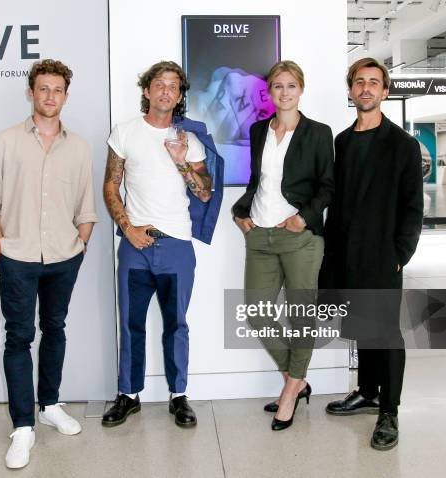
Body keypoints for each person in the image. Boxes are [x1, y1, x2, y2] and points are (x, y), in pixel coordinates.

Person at [0, 59, 98, 468]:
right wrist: (2, 252)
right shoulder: (3, 141)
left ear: (66, 95)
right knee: (18, 338)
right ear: (31, 92)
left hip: (65, 257)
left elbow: (86, 208)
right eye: (43, 89)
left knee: (55, 329)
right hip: (18, 258)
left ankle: (50, 405)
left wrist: (79, 247)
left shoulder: (79, 147)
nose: (50, 96)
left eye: (57, 90)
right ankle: (23, 426)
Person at [101, 60, 217, 428]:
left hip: (177, 246)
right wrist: (127, 228)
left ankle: (178, 395)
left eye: (174, 85)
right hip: (136, 244)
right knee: (131, 324)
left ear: (180, 95)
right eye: (159, 84)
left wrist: (181, 162)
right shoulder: (124, 133)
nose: (166, 90)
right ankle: (129, 394)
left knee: (176, 325)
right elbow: (110, 185)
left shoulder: (190, 141)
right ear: (147, 91)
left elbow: (204, 194)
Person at [320, 57, 423, 450]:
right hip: (346, 252)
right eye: (359, 82)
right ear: (351, 90)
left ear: (385, 91)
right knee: (361, 324)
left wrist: (401, 252)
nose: (366, 88)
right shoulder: (342, 142)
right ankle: (367, 391)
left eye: (373, 82)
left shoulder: (402, 144)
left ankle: (389, 412)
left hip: (382, 253)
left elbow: (413, 206)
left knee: (386, 332)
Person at [232, 60, 334, 431]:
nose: (284, 92)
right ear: (270, 91)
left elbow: (327, 186)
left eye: (291, 85)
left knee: (301, 316)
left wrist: (303, 217)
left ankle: (291, 389)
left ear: (301, 89)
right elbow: (257, 181)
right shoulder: (259, 129)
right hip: (258, 234)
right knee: (258, 313)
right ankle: (298, 376)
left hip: (299, 237)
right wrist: (240, 212)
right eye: (277, 86)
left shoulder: (318, 133)